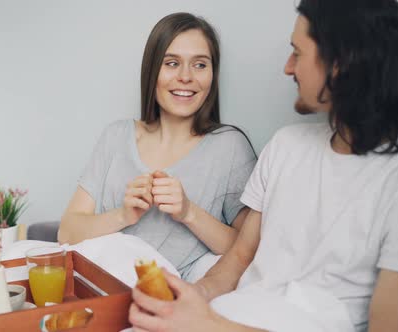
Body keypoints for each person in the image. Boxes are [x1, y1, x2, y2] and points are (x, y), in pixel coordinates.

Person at [129, 0, 398, 331]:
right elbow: (240, 257)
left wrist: (205, 325)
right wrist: (191, 299)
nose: (288, 67)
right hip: (233, 312)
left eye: (297, 54)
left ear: (340, 64)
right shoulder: (286, 146)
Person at [58, 13, 257, 279]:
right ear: (153, 71)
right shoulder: (116, 136)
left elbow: (250, 250)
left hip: (166, 300)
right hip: (102, 290)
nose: (186, 77)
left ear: (213, 74)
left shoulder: (230, 146)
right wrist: (124, 215)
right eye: (172, 63)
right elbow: (67, 232)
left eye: (200, 65)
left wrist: (189, 213)